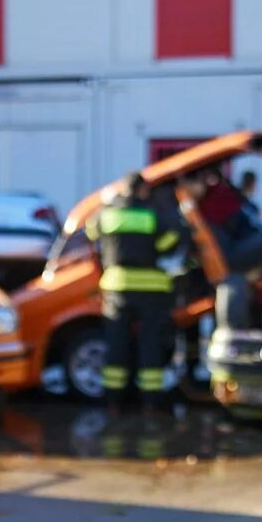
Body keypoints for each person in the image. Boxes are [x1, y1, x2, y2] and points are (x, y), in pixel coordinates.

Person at [86, 172, 181, 407]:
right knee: (150, 343)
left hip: (117, 288)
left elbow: (89, 232)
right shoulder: (152, 215)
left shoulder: (107, 216)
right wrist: (154, 248)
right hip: (152, 289)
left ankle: (114, 400)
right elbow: (170, 241)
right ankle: (150, 401)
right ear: (143, 191)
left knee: (116, 342)